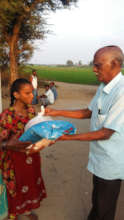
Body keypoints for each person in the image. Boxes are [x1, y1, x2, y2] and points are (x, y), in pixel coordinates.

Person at [45, 45, 124, 220]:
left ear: (115, 64)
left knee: (104, 211)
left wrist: (65, 137)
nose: (94, 70)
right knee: (98, 203)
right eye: (93, 65)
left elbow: (105, 133)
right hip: (99, 160)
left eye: (98, 65)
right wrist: (56, 112)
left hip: (111, 165)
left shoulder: (121, 92)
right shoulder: (104, 87)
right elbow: (88, 112)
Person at [0, 78, 51, 220]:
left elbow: (35, 131)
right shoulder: (6, 115)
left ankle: (27, 209)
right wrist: (11, 144)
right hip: (13, 160)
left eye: (32, 93)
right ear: (16, 95)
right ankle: (13, 213)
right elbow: (1, 141)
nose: (32, 96)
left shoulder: (31, 111)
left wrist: (46, 138)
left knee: (30, 182)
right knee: (15, 186)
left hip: (31, 156)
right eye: (27, 93)